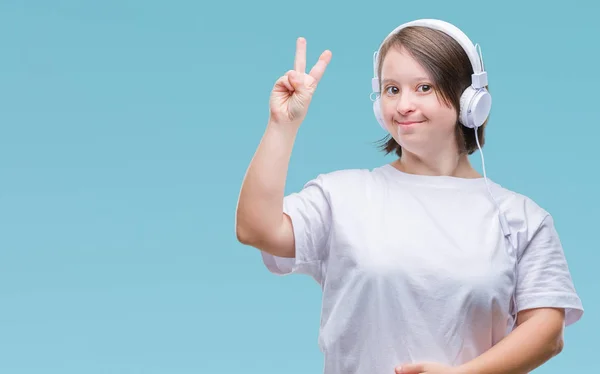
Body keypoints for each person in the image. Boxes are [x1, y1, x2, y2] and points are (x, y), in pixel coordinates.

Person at [235, 19, 584, 374]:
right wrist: (282, 124)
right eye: (391, 89)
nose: (403, 105)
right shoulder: (342, 196)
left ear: (469, 99)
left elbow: (547, 330)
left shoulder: (522, 218)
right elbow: (256, 230)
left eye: (423, 87)